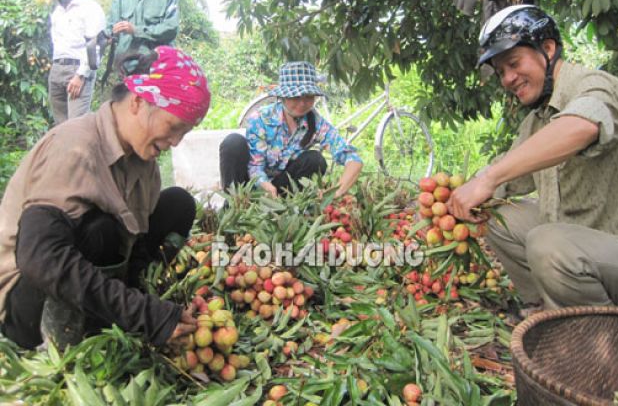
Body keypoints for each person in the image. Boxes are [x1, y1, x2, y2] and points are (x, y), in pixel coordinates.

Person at [0, 45, 211, 350]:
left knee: (178, 203)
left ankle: (114, 309)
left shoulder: (144, 164)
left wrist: (145, 302)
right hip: (30, 304)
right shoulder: (75, 148)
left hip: (92, 274)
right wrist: (144, 315)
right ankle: (76, 335)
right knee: (102, 229)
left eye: (184, 133)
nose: (176, 142)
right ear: (139, 102)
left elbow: (136, 240)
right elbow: (40, 258)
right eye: (174, 127)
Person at [447, 4, 618, 314]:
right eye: (501, 72)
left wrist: (488, 180)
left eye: (513, 63)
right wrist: (452, 199)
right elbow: (505, 174)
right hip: (581, 249)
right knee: (495, 217)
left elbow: (582, 124)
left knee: (548, 244)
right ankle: (545, 310)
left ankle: (601, 336)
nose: (508, 79)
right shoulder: (538, 119)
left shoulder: (595, 84)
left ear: (547, 49)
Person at [220, 61, 363, 198]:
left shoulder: (316, 123)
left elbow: (353, 160)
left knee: (315, 160)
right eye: (295, 97)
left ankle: (285, 205)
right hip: (251, 183)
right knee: (233, 143)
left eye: (308, 97)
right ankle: (234, 202)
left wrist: (336, 193)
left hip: (282, 186)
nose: (302, 103)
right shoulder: (260, 119)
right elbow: (256, 166)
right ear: (283, 96)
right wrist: (265, 185)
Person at [36, 0, 106, 125]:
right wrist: (54, 72)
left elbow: (96, 46)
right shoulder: (58, 12)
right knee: (60, 127)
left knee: (76, 127)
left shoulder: (89, 7)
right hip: (57, 69)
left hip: (78, 69)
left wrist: (81, 75)